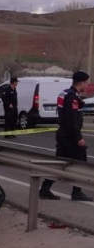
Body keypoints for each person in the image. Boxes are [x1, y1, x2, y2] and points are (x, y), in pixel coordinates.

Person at [39, 71, 93, 201]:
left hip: (64, 134)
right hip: (70, 136)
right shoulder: (72, 97)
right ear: (81, 82)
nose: (87, 85)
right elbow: (71, 120)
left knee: (60, 162)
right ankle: (77, 192)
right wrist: (78, 137)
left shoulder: (66, 94)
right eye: (86, 82)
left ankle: (45, 189)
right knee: (80, 163)